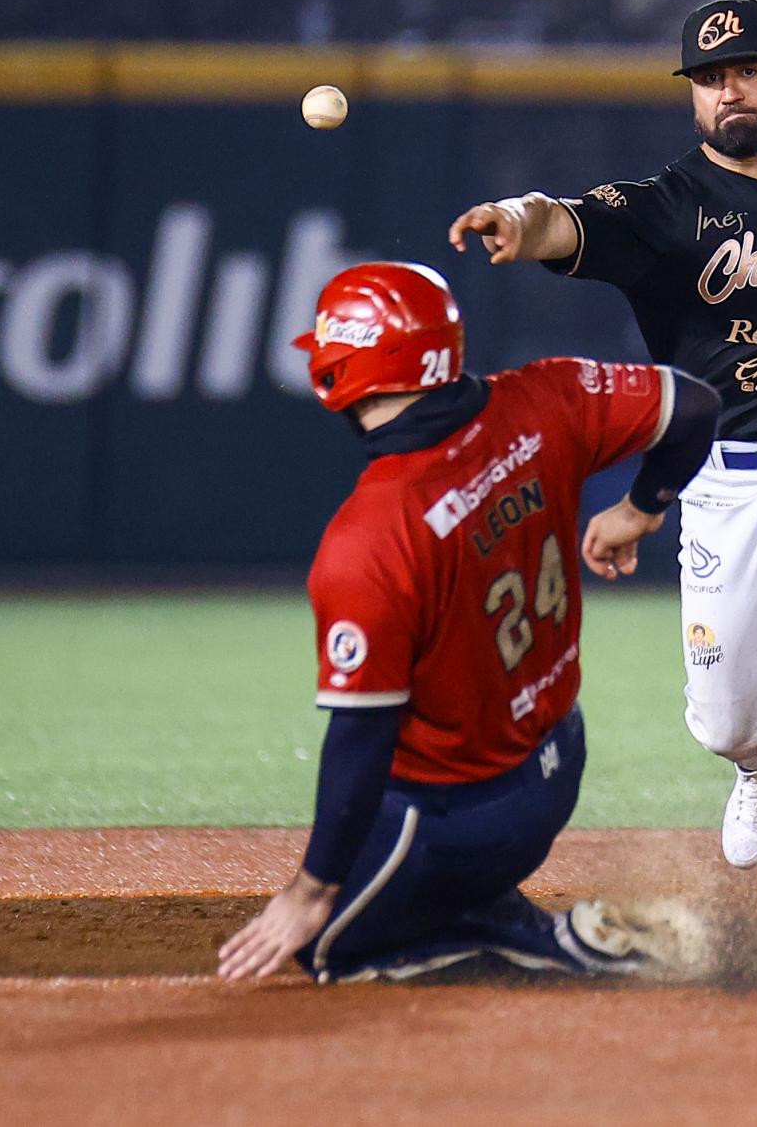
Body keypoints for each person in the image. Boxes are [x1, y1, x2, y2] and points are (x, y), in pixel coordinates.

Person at [446, 0, 757, 941]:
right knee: (720, 720)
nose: (728, 92)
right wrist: (515, 216)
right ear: (693, 98)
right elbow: (567, 221)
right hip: (719, 481)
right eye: (709, 79)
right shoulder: (667, 211)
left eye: (747, 70)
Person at [218, 260, 719, 983]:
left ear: (345, 370)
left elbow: (360, 736)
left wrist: (311, 891)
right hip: (560, 759)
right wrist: (642, 508)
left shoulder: (370, 536)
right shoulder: (548, 396)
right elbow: (695, 405)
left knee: (327, 946)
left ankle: (542, 941)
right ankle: (481, 900)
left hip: (460, 815)